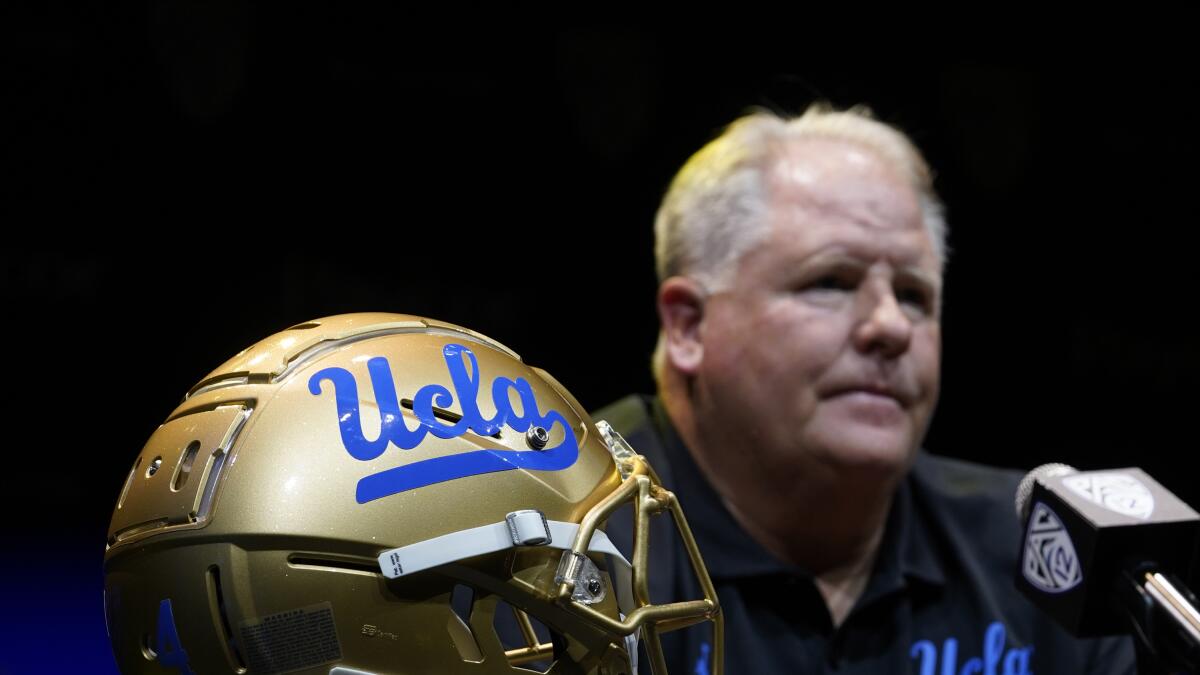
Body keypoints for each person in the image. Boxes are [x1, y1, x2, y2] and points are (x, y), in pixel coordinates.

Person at [597, 105, 1136, 673]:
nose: (891, 326)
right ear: (688, 326)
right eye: (829, 282)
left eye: (912, 295)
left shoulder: (1038, 556)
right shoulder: (561, 546)